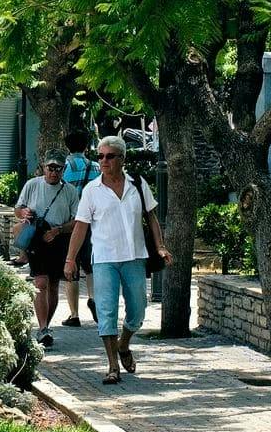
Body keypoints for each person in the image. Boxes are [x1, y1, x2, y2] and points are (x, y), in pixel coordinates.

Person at [63, 135, 171, 386]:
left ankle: (124, 344)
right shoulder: (92, 190)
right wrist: (70, 259)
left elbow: (151, 218)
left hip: (134, 256)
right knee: (106, 311)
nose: (103, 161)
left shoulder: (137, 184)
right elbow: (80, 227)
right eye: (99, 156)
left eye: (109, 156)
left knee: (137, 311)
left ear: (122, 158)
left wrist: (161, 247)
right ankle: (112, 366)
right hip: (104, 259)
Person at [16, 157, 81, 347]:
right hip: (37, 238)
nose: (53, 172)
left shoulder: (69, 191)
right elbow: (18, 209)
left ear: (63, 170)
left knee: (53, 285)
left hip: (59, 240)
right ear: (43, 168)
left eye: (58, 169)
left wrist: (58, 230)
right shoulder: (32, 185)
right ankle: (43, 327)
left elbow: (77, 221)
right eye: (50, 168)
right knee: (40, 282)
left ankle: (45, 326)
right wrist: (24, 213)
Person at [57, 128, 94, 327]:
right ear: (86, 146)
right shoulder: (96, 166)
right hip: (93, 223)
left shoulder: (65, 167)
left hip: (71, 223)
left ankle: (74, 314)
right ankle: (94, 298)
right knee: (90, 266)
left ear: (67, 146)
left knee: (71, 267)